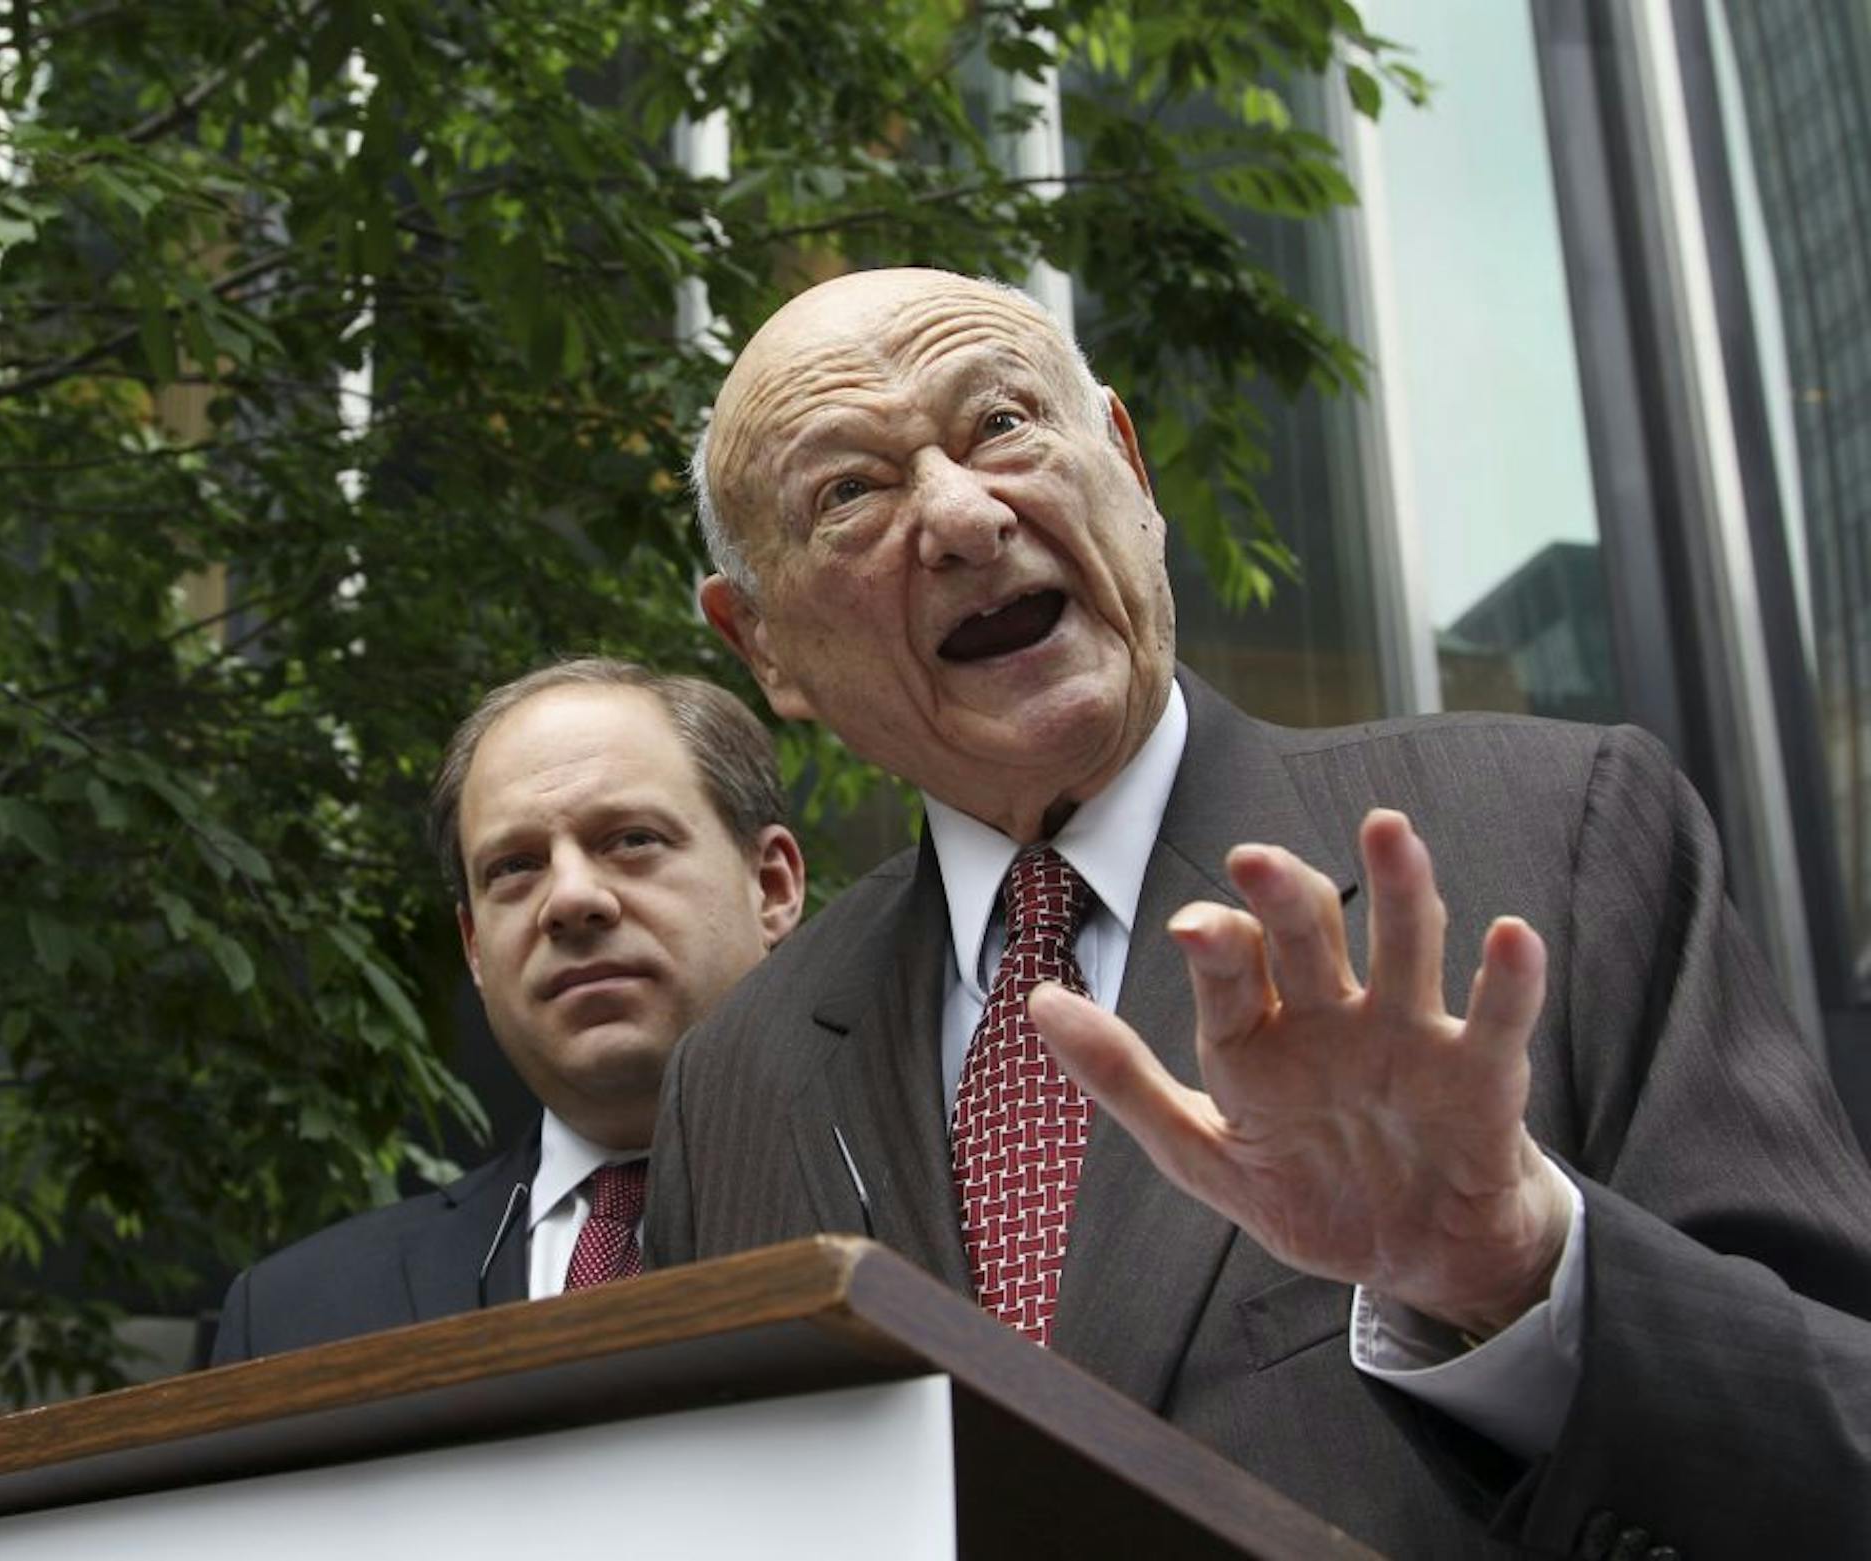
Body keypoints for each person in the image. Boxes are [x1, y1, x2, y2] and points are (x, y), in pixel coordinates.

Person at [644, 267, 1871, 1556]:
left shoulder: (1557, 833)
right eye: (850, 491)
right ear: (763, 646)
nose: (959, 515)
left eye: (1002, 423)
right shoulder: (736, 1077)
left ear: (1125, 464)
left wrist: (1516, 1274)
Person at [211, 658, 804, 1363]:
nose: (571, 899)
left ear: (770, 887)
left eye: (631, 839)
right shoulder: (295, 1317)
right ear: (473, 948)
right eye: (516, 867)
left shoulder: (942, 1215)